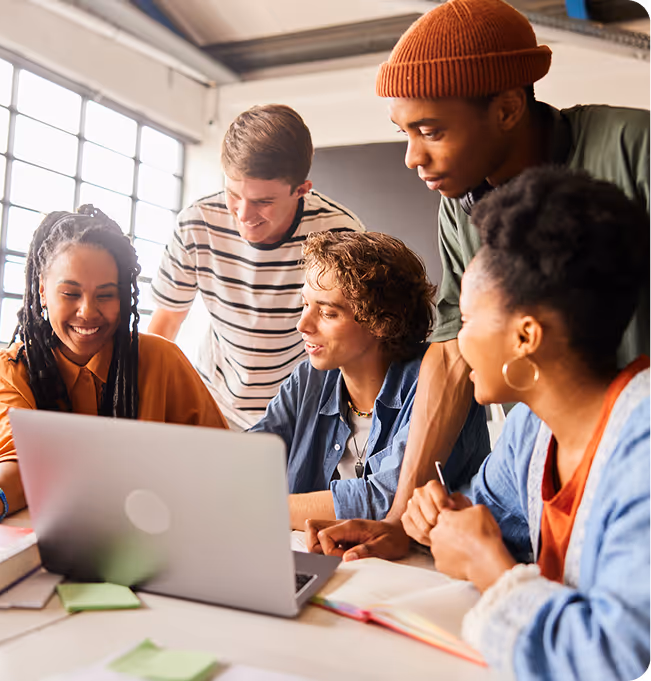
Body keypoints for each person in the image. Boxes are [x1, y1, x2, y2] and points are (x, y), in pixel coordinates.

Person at [314, 0, 651, 559]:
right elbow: (450, 355)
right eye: (403, 132)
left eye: (430, 129)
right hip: (548, 471)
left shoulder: (633, 148)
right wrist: (400, 520)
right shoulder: (460, 202)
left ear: (508, 108)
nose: (411, 157)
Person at [323, 167, 651, 678]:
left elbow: (623, 659)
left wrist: (486, 567)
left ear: (525, 337)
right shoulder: (531, 429)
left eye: (469, 321)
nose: (458, 342)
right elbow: (488, 517)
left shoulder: (643, 447)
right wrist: (424, 527)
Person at [0, 206, 228, 523]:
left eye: (106, 295)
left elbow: (223, 460)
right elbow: (16, 459)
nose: (87, 311)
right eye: (70, 293)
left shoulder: (161, 360)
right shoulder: (12, 369)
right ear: (42, 290)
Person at [250, 231, 489, 529]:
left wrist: (261, 506)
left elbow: (388, 499)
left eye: (327, 312)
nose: (303, 325)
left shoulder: (435, 386)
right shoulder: (308, 380)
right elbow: (248, 458)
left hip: (421, 565)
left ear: (381, 321)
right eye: (305, 304)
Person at [148, 104, 364, 430]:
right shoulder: (197, 224)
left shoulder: (340, 233)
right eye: (233, 194)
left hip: (304, 407)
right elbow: (164, 326)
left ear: (302, 190)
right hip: (214, 400)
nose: (244, 215)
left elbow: (349, 336)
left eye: (263, 202)